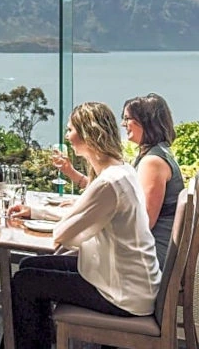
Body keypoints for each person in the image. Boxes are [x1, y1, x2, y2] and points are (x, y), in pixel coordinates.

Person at [6, 102, 161, 349]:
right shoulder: (122, 171)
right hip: (128, 279)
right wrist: (34, 211)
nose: (67, 136)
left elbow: (63, 234)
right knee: (28, 266)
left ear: (88, 134)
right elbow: (83, 212)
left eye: (70, 130)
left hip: (122, 293)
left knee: (25, 282)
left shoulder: (108, 184)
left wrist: (55, 220)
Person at [46, 93, 183, 268]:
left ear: (147, 122)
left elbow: (144, 222)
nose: (123, 124)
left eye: (128, 119)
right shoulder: (156, 153)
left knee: (49, 264)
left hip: (152, 258)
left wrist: (98, 219)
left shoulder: (152, 162)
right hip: (148, 253)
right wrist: (72, 174)